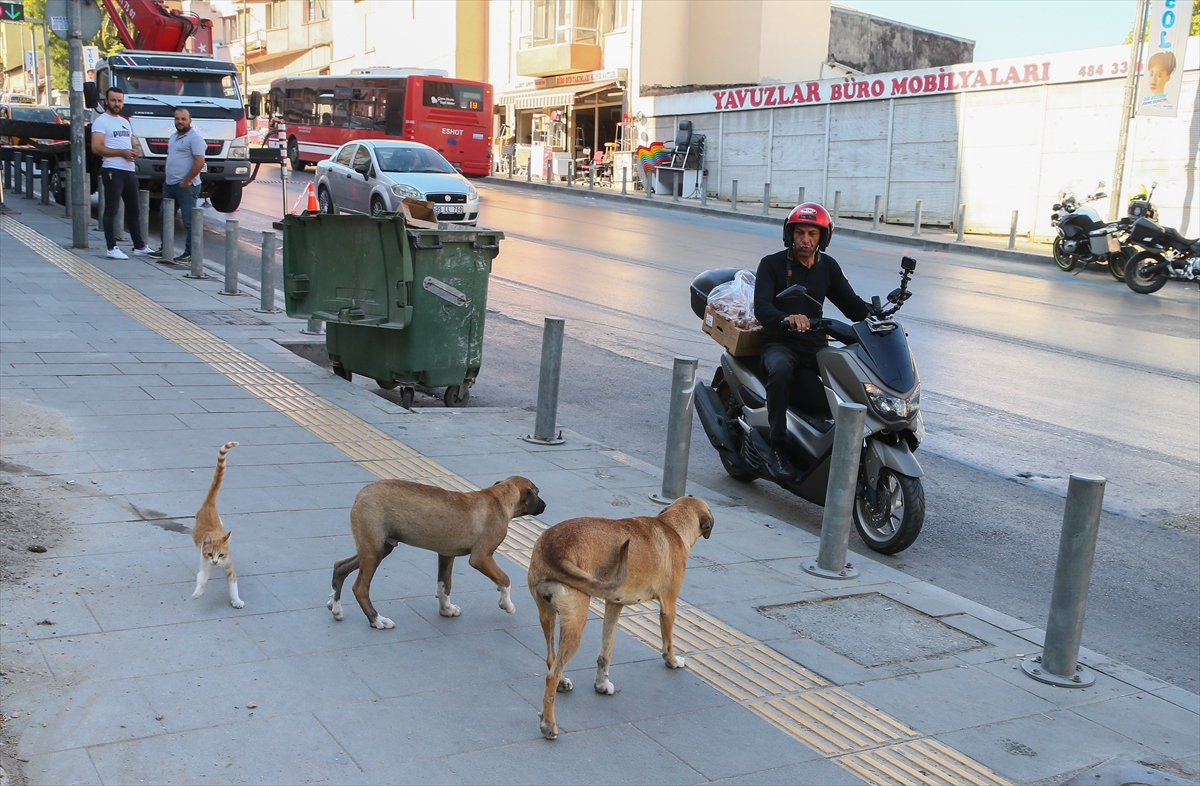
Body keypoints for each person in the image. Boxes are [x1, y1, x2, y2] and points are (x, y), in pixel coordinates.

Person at [753, 202, 871, 480]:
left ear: (823, 238)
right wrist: (787, 318)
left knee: (852, 377)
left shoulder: (828, 267)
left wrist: (876, 317)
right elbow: (762, 308)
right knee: (780, 371)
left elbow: (851, 304)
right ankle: (777, 447)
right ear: (790, 234)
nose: (805, 240)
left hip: (816, 345)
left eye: (812, 234)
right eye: (800, 233)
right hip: (780, 344)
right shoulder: (771, 264)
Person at [91, 86, 152, 260]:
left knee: (134, 210)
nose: (117, 104)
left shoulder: (125, 122)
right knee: (112, 210)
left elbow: (131, 143)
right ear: (106, 101)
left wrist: (134, 151)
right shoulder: (101, 122)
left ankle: (139, 246)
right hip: (113, 169)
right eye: (113, 100)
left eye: (119, 101)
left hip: (129, 171)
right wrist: (121, 153)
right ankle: (112, 247)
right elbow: (96, 147)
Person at [151, 108, 207, 264]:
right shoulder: (173, 137)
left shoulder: (195, 138)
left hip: (186, 187)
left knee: (190, 221)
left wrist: (186, 180)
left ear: (190, 120)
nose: (180, 122)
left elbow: (200, 162)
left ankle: (190, 253)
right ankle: (165, 248)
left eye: (183, 119)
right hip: (170, 185)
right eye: (177, 119)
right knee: (165, 218)